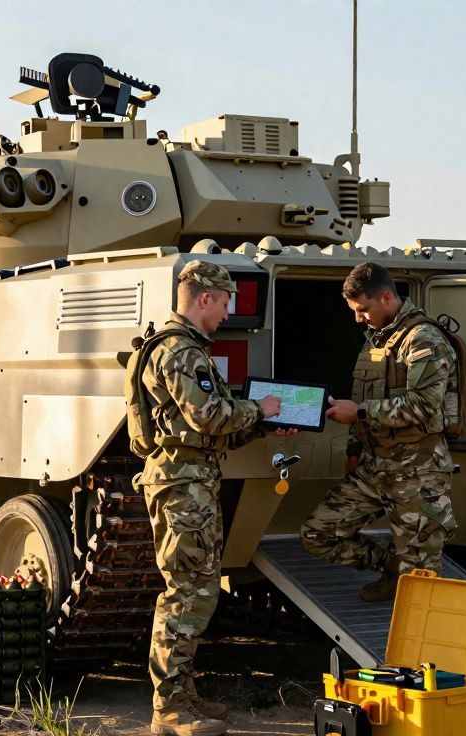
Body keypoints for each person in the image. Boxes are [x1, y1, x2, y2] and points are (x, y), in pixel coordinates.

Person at [134, 260, 292, 736]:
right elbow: (208, 417)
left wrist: (259, 424)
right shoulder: (181, 351)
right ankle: (168, 710)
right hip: (182, 486)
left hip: (193, 480)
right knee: (185, 594)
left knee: (198, 591)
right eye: (225, 304)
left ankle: (183, 696)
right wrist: (258, 408)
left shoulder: (185, 348)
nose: (227, 314)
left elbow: (206, 432)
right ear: (205, 298)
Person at [300, 262, 460, 602]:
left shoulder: (424, 339)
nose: (358, 318)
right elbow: (365, 394)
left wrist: (357, 412)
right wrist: (356, 451)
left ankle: (421, 644)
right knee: (318, 533)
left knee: (422, 580)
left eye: (363, 309)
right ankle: (392, 567)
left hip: (418, 472)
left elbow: (423, 405)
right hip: (375, 468)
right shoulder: (378, 340)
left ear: (386, 298)